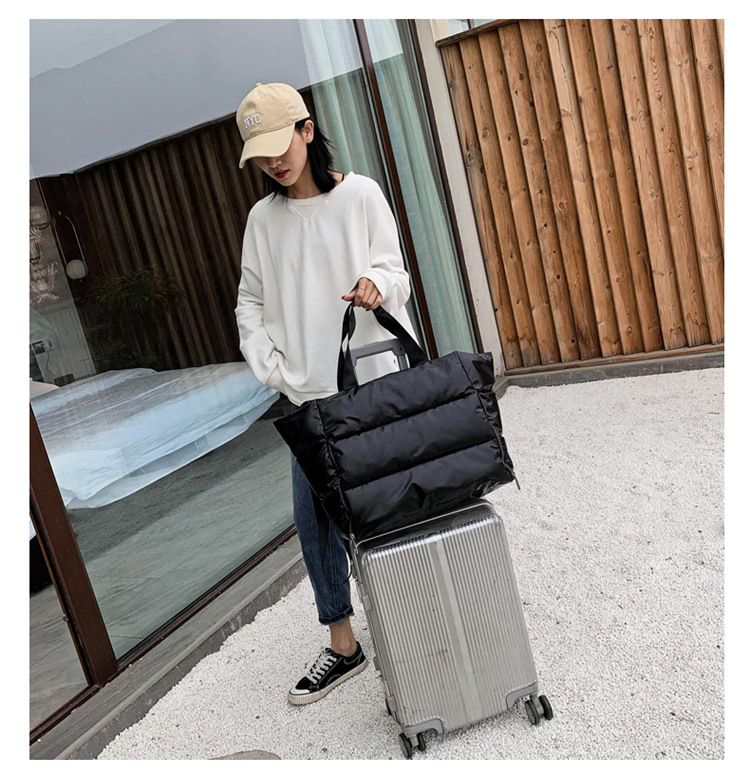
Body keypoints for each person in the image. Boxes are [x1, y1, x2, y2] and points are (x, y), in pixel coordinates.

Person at [233, 82, 418, 706]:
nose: (273, 161)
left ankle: (420, 616)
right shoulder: (262, 221)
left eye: (280, 144)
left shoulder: (360, 195)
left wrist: (376, 283)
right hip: (306, 396)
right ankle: (343, 644)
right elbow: (250, 301)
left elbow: (397, 272)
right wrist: (273, 369)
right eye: (260, 154)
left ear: (307, 131)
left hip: (374, 382)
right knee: (314, 523)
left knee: (394, 502)